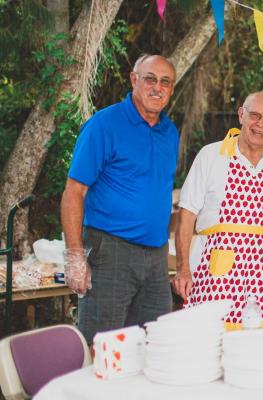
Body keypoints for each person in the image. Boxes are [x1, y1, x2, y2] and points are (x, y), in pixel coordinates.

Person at [61, 54, 179, 343]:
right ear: (134, 79)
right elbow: (74, 192)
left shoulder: (170, 132)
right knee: (102, 344)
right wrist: (75, 257)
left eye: (165, 82)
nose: (157, 87)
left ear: (172, 88)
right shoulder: (104, 124)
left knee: (154, 343)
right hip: (111, 252)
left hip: (157, 256)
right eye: (150, 79)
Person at [173, 90, 263, 330]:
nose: (261, 124)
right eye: (255, 115)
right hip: (216, 273)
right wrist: (182, 268)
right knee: (214, 340)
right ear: (241, 115)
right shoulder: (211, 155)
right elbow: (187, 215)